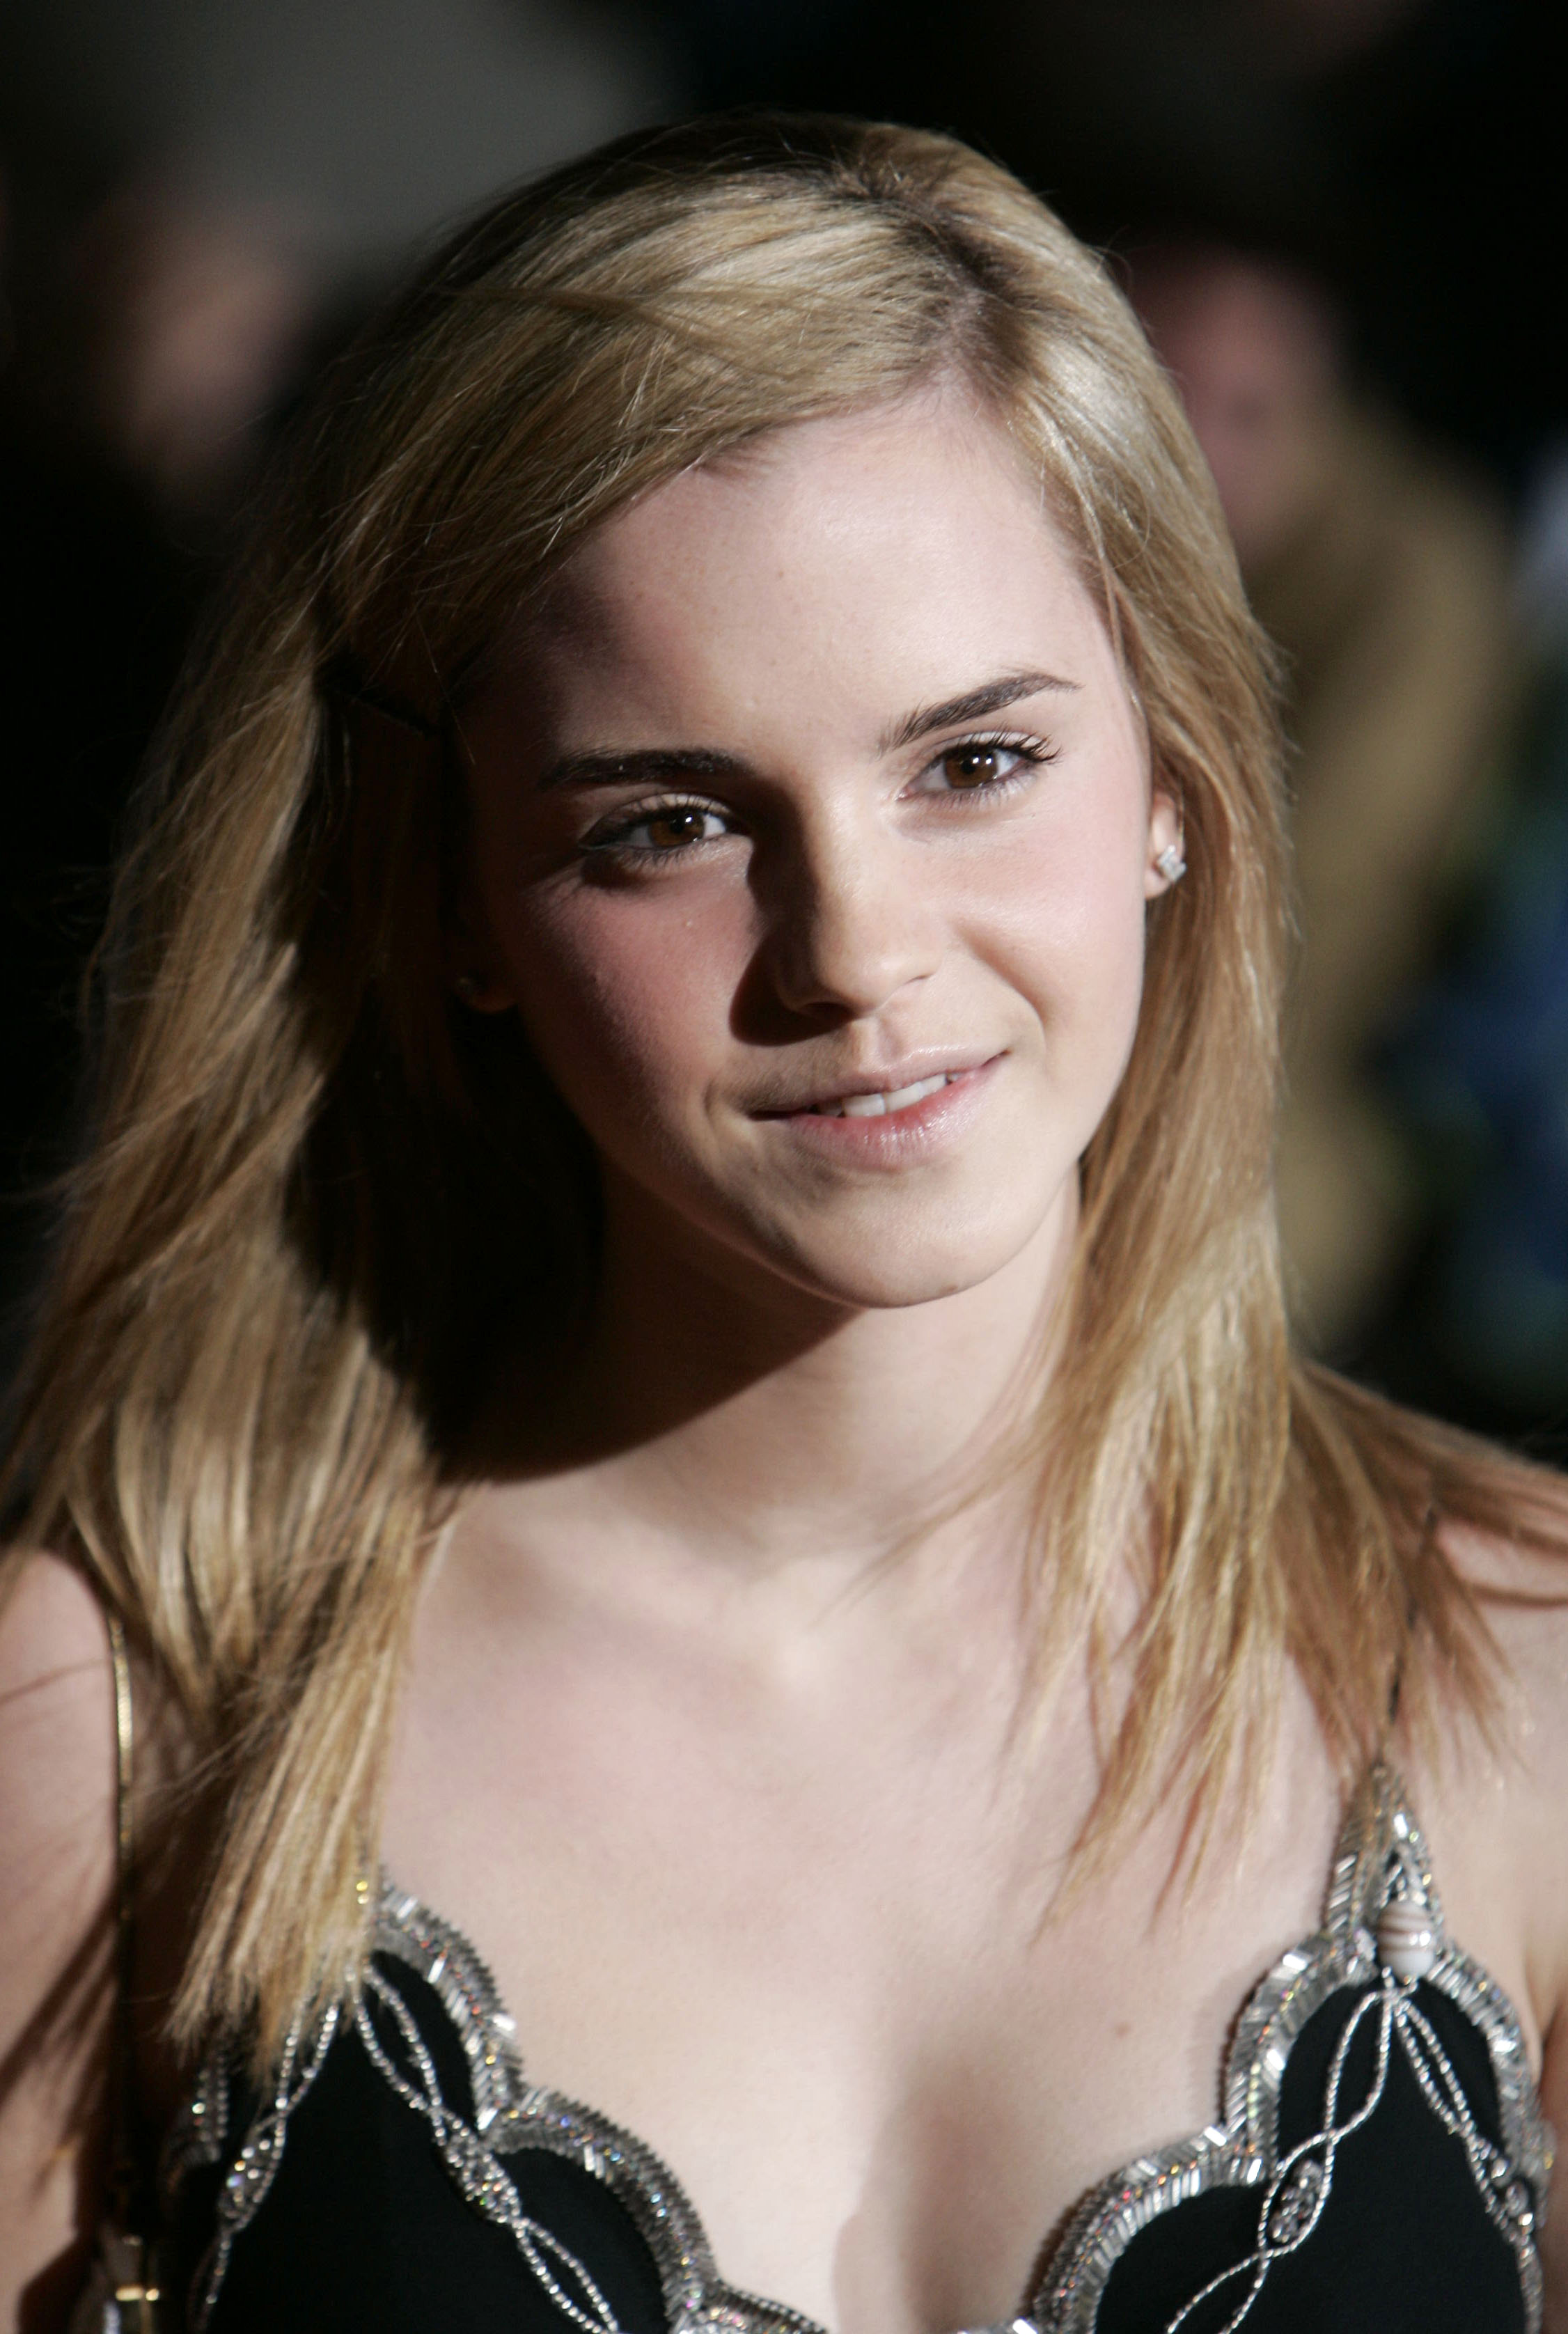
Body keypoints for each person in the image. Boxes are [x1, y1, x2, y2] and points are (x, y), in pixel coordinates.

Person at [1, 115, 1565, 2334]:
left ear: (1172, 776)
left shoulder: (1525, 1681)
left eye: (974, 764)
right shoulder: (118, 1723)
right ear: (451, 900)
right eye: (666, 823)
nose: (855, 949)